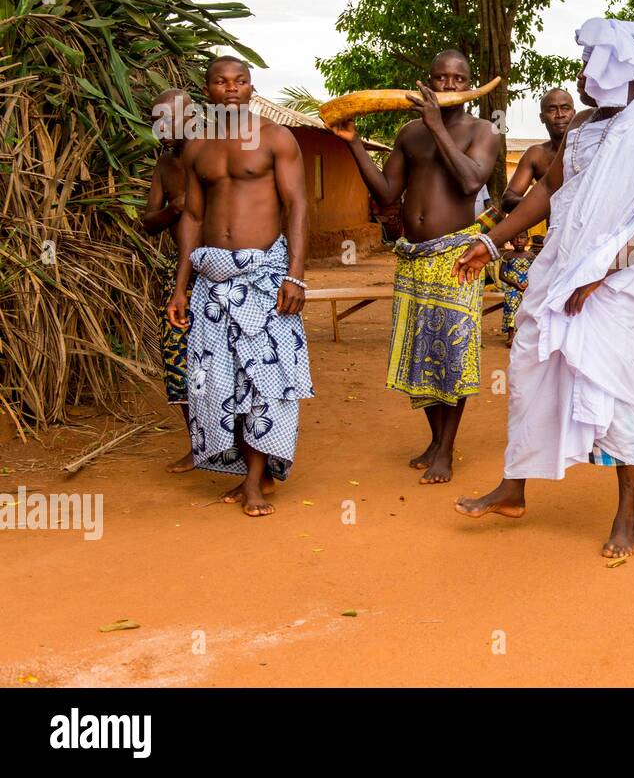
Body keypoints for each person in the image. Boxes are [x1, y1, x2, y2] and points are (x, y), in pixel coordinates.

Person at [451, 18, 634, 558]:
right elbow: (547, 191)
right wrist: (492, 243)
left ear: (617, 70)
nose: (583, 74)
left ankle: (626, 516)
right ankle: (514, 488)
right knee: (529, 368)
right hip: (562, 270)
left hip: (619, 282)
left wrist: (599, 272)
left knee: (617, 389)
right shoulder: (583, 128)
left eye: (591, 64)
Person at [330, 50, 501, 484]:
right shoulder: (410, 132)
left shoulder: (483, 131)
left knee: (453, 354)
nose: (446, 86)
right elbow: (387, 192)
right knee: (421, 354)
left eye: (456, 79)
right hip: (413, 257)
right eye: (439, 78)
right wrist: (352, 143)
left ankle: (446, 448)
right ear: (428, 82)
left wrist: (437, 127)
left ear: (469, 84)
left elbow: (469, 181)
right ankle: (434, 438)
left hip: (457, 257)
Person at [165, 57, 313, 517]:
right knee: (219, 381)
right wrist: (181, 287)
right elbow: (191, 216)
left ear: (251, 87)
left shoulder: (275, 137)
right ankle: (252, 471)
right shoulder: (198, 149)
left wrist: (294, 275)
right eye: (221, 82)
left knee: (265, 383)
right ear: (207, 89)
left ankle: (254, 482)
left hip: (265, 278)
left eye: (240, 81)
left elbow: (298, 207)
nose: (231, 89)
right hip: (213, 280)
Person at [142, 88, 200, 474]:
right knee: (178, 368)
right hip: (178, 281)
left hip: (218, 277)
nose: (161, 128)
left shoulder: (213, 156)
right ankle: (199, 445)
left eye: (169, 119)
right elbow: (146, 223)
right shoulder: (164, 166)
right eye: (156, 121)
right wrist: (174, 209)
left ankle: (238, 449)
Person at [502, 88, 575, 212]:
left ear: (574, 113)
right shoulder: (536, 155)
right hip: (554, 229)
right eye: (552, 109)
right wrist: (550, 201)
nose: (560, 114)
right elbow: (507, 200)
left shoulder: (590, 148)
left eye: (565, 108)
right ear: (542, 117)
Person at [498, 231, 535, 346]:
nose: (519, 241)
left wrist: (530, 285)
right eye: (515, 238)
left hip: (528, 289)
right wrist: (514, 284)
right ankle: (511, 337)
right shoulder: (507, 256)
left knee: (526, 309)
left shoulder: (531, 257)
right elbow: (501, 275)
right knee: (511, 307)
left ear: (527, 240)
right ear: (510, 241)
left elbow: (536, 272)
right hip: (512, 289)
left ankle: (523, 336)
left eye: (522, 238)